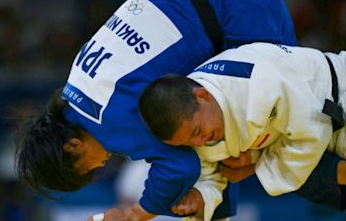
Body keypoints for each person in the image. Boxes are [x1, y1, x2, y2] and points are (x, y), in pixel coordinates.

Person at [15, 0, 301, 220]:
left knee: (297, 128)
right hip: (216, 7)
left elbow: (180, 166)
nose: (99, 167)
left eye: (88, 171)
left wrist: (138, 213)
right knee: (217, 141)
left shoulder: (106, 121)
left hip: (237, 14)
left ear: (72, 146)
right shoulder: (76, 82)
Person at [138, 42, 346, 217]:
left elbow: (310, 130)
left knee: (303, 175)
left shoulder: (255, 82)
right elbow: (214, 174)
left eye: (196, 132)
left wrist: (255, 165)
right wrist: (200, 195)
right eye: (189, 143)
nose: (200, 142)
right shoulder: (197, 124)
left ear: (203, 96)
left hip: (334, 97)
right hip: (307, 141)